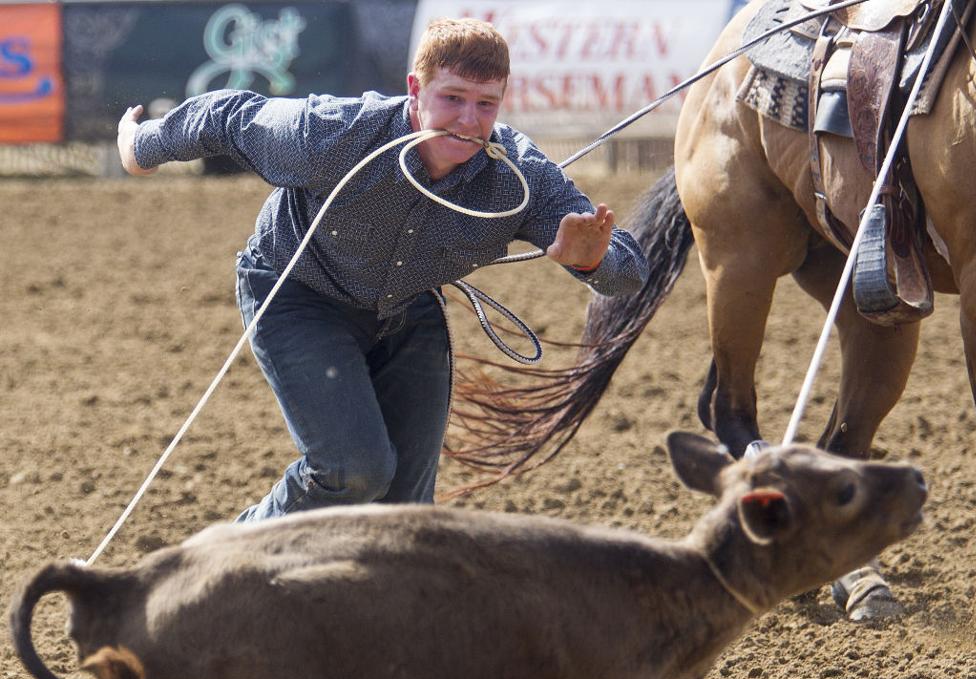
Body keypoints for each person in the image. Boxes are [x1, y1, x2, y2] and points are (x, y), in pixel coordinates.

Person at [116, 18, 648, 521]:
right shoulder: (333, 134)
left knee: (405, 512)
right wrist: (142, 146)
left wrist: (592, 260)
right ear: (415, 90)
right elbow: (229, 117)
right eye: (453, 98)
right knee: (354, 472)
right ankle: (230, 560)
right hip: (297, 292)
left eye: (486, 104)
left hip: (408, 309)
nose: (469, 120)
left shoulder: (519, 177)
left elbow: (630, 273)